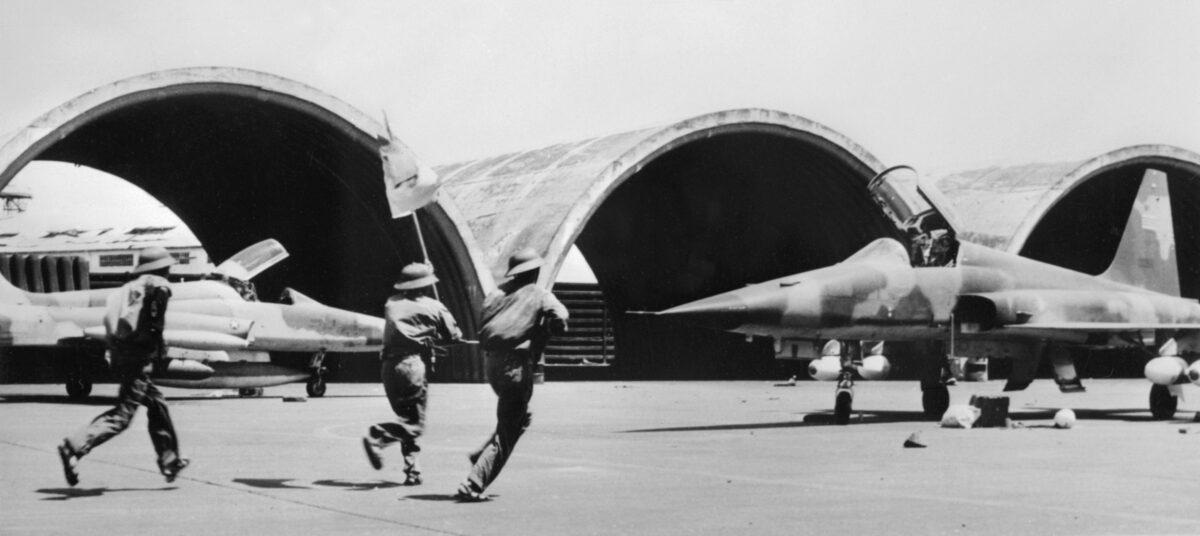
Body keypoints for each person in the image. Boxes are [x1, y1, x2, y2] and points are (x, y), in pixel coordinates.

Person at [57, 246, 188, 486]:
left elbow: (113, 320)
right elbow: (154, 324)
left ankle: (170, 460)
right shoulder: (158, 287)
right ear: (162, 268)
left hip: (122, 355)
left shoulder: (129, 288)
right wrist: (157, 350)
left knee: (157, 404)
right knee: (122, 416)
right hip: (138, 359)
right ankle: (73, 447)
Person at [456, 248, 568, 501]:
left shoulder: (496, 294)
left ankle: (482, 457)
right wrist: (553, 327)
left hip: (492, 365)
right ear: (535, 271)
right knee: (509, 429)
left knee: (519, 418)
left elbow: (484, 322)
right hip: (515, 366)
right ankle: (474, 483)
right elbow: (560, 316)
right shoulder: (539, 294)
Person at [362, 263, 461, 486]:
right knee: (414, 425)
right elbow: (453, 335)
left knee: (406, 418)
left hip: (389, 367)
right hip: (412, 366)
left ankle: (412, 471)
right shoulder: (434, 306)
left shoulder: (392, 303)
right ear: (425, 285)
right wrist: (435, 336)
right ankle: (380, 436)